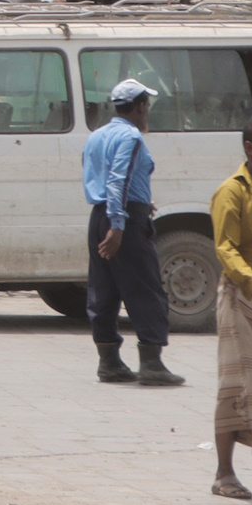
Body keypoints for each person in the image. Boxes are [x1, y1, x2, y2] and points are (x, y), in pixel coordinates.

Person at [83, 77, 182, 385]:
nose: (147, 112)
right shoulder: (132, 138)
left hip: (100, 216)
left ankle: (109, 362)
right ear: (139, 108)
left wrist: (136, 204)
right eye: (146, 106)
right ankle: (152, 364)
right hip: (122, 222)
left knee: (104, 290)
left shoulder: (96, 136)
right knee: (146, 289)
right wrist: (119, 224)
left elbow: (103, 180)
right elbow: (117, 179)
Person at [211, 116, 252, 498]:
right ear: (250, 148)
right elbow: (225, 248)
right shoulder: (232, 191)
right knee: (234, 389)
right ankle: (224, 474)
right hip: (243, 305)